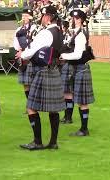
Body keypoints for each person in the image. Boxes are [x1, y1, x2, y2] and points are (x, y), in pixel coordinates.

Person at [17, 6, 65, 150]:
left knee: (31, 107)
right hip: (54, 71)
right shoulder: (59, 32)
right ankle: (53, 142)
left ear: (48, 17)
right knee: (54, 109)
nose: (42, 19)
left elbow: (33, 50)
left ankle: (37, 141)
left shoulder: (46, 33)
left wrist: (22, 55)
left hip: (43, 71)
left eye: (43, 16)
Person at [60, 9, 95, 136]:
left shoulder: (80, 35)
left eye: (74, 18)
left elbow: (78, 54)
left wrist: (63, 55)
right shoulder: (74, 33)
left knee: (82, 101)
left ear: (80, 19)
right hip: (76, 68)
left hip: (81, 68)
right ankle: (83, 128)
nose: (72, 20)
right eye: (72, 18)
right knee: (77, 98)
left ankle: (84, 129)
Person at [14, 8, 37, 103]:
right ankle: (29, 104)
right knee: (25, 83)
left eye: (26, 16)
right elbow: (15, 43)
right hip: (22, 57)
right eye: (23, 16)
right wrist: (19, 50)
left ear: (30, 17)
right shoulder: (19, 29)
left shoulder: (34, 28)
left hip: (32, 57)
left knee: (32, 82)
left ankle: (34, 104)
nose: (24, 18)